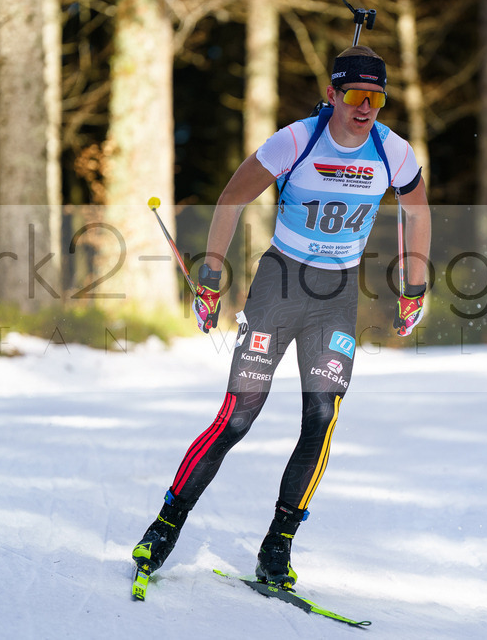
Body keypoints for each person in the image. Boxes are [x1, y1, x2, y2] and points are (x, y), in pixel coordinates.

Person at [132, 45, 431, 591]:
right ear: (332, 95)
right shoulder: (296, 140)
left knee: (321, 419)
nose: (365, 108)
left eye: (377, 99)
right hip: (279, 286)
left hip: (337, 296)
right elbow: (231, 200)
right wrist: (210, 278)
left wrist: (415, 287)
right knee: (239, 416)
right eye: (356, 96)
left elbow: (417, 209)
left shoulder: (394, 152)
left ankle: (277, 546)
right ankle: (166, 524)